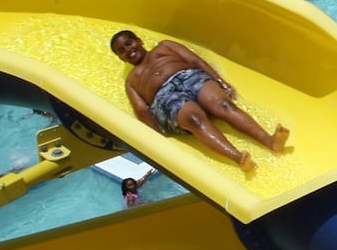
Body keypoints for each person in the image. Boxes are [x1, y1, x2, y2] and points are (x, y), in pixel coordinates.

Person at [109, 30, 290, 173]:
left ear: (139, 41)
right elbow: (142, 111)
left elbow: (195, 60)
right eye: (122, 51)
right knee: (194, 119)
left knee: (223, 105)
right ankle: (237, 157)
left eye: (129, 43)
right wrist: (161, 140)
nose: (128, 50)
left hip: (190, 77)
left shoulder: (165, 47)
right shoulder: (132, 81)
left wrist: (220, 81)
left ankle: (270, 141)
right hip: (165, 97)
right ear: (120, 58)